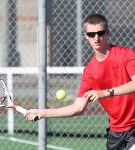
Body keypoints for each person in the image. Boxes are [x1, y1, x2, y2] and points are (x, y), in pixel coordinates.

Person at [25, 14, 135, 150]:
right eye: (91, 34)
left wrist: (106, 92)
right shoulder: (89, 72)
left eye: (100, 33)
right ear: (86, 36)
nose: (96, 38)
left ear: (107, 34)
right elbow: (78, 108)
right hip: (116, 132)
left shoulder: (125, 54)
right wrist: (43, 112)